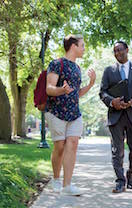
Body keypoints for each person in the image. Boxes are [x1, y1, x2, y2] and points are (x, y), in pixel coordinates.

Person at [45, 34, 96, 196]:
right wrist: (62, 90)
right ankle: (56, 179)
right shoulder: (56, 64)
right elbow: (49, 88)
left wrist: (91, 84)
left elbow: (77, 94)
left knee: (72, 144)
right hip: (57, 112)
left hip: (74, 112)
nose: (84, 49)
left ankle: (67, 186)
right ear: (73, 46)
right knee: (59, 147)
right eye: (82, 45)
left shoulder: (77, 68)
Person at [99, 41, 132, 193]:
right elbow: (103, 92)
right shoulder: (109, 71)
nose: (117, 53)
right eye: (114, 51)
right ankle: (120, 181)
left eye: (120, 50)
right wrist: (112, 102)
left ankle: (131, 177)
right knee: (117, 150)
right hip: (116, 116)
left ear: (127, 50)